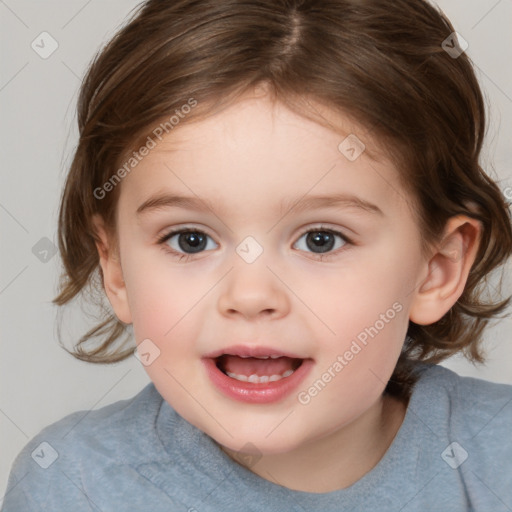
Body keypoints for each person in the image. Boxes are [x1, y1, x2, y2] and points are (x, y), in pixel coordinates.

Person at [2, 0, 512, 510]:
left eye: (321, 240)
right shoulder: (74, 485)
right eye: (190, 240)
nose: (250, 296)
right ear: (115, 269)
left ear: (436, 270)